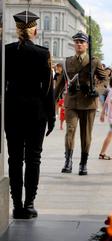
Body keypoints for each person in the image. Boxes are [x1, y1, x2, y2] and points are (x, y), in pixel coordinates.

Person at [4, 10, 55, 219]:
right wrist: (51, 115)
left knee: (15, 159)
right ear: (35, 30)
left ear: (17, 30)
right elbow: (49, 89)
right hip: (36, 112)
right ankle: (29, 203)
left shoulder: (6, 51)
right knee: (33, 159)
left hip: (12, 111)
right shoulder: (43, 53)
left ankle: (16, 205)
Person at [55, 31, 107, 175]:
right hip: (71, 101)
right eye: (77, 42)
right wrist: (50, 102)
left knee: (86, 134)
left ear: (86, 45)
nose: (79, 44)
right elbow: (59, 84)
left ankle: (83, 163)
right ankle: (68, 161)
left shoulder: (94, 61)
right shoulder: (67, 62)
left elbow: (105, 80)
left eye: (81, 42)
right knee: (70, 131)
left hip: (88, 103)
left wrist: (96, 90)